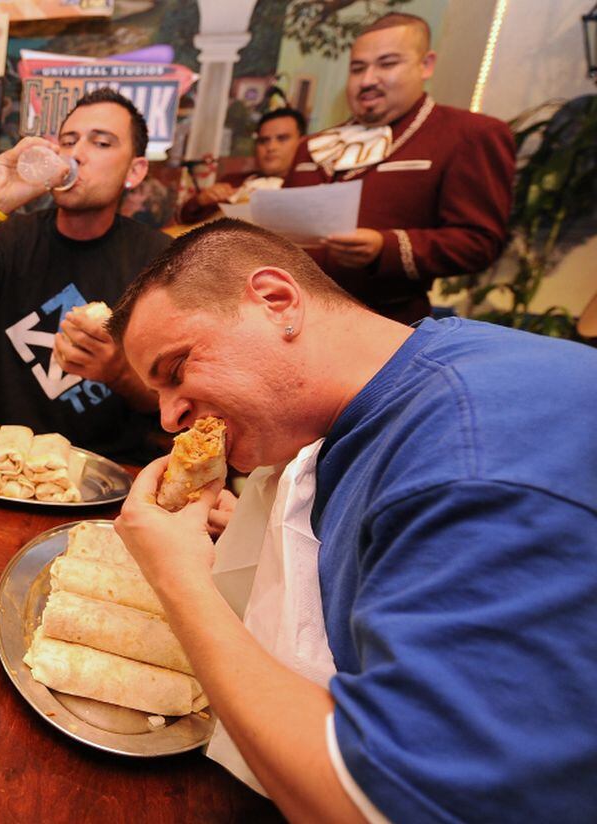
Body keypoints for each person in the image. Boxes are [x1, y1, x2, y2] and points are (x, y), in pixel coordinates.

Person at [106, 218, 597, 822]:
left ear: (277, 301)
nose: (169, 416)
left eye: (177, 369)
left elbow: (380, 801)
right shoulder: (388, 389)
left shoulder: (474, 460)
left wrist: (176, 575)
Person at [0, 88, 169, 461]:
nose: (76, 154)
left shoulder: (160, 260)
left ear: (135, 170)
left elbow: (169, 403)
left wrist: (117, 373)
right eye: (68, 141)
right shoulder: (14, 237)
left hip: (104, 469)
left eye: (102, 143)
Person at [286, 13, 516, 324]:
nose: (367, 80)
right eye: (357, 68)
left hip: (388, 325)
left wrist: (385, 247)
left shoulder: (468, 135)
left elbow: (479, 242)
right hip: (292, 318)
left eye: (387, 63)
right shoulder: (313, 145)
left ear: (426, 65)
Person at [178, 107, 307, 224]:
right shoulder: (233, 183)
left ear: (302, 143)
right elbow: (185, 219)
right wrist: (200, 201)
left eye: (282, 138)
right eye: (263, 141)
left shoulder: (308, 189)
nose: (271, 147)